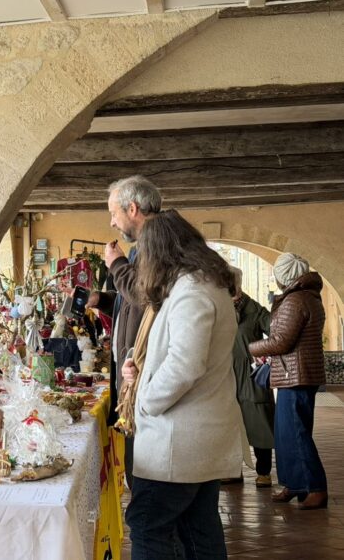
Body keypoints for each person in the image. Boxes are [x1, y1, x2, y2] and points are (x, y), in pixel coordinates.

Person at [122, 210, 243, 560]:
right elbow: (174, 351)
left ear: (160, 252)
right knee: (198, 528)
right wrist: (140, 369)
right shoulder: (200, 284)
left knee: (148, 526)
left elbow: (185, 365)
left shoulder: (192, 290)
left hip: (180, 439)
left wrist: (145, 399)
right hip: (196, 437)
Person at [90, 175, 162, 483]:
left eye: (113, 213)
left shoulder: (156, 246)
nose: (112, 223)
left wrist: (116, 265)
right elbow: (131, 302)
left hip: (144, 378)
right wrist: (101, 300)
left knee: (143, 480)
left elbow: (145, 295)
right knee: (137, 474)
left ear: (132, 208)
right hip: (135, 377)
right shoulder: (142, 248)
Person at [249, 253, 327, 510]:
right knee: (286, 434)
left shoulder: (295, 300)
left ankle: (315, 487)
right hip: (294, 373)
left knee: (297, 433)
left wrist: (249, 348)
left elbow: (281, 341)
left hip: (296, 375)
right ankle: (294, 484)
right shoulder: (308, 297)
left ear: (285, 276)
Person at [222, 267, 275, 488]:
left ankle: (264, 471)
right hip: (225, 376)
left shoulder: (255, 310)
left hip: (250, 375)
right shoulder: (218, 309)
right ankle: (234, 470)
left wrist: (258, 351)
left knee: (260, 422)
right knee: (229, 425)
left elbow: (277, 333)